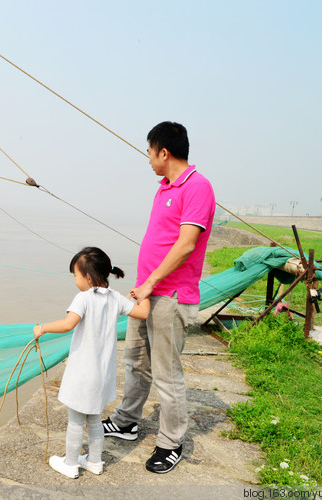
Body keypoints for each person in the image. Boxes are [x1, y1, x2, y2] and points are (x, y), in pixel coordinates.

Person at [101, 121, 215, 474]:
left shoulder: (198, 187)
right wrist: (143, 285)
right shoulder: (164, 187)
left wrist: (150, 283)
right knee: (136, 361)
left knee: (167, 373)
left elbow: (186, 244)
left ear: (164, 152)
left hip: (171, 296)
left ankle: (171, 442)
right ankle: (126, 421)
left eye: (150, 153)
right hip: (147, 293)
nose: (149, 161)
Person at [33, 247, 150, 478]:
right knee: (95, 418)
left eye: (75, 275)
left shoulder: (83, 298)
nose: (75, 280)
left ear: (87, 276)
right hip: (103, 375)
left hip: (82, 374)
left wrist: (42, 328)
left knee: (76, 420)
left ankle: (71, 463)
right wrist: (142, 295)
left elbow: (68, 324)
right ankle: (95, 462)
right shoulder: (116, 298)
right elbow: (143, 314)